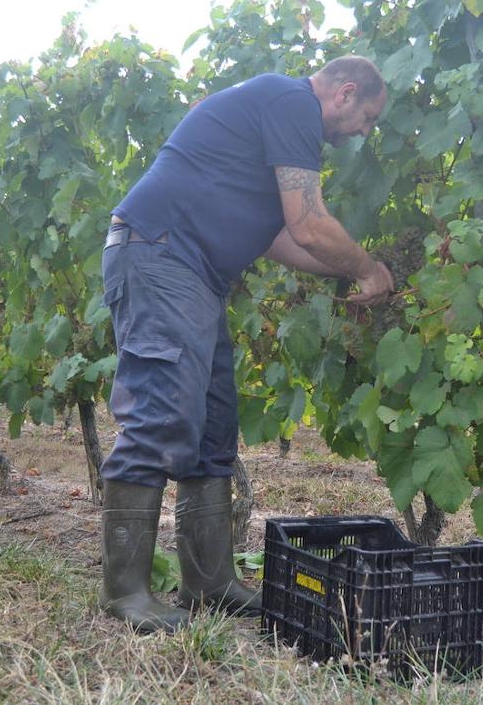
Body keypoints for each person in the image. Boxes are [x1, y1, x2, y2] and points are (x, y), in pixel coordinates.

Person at [99, 56, 395, 633]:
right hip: (161, 255)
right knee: (161, 414)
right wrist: (367, 267)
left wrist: (351, 273)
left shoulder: (275, 119)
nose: (363, 130)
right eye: (367, 117)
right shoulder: (291, 103)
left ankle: (208, 583)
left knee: (213, 424)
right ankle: (125, 591)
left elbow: (283, 237)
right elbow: (311, 224)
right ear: (345, 93)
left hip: (196, 272)